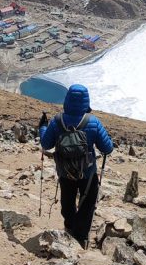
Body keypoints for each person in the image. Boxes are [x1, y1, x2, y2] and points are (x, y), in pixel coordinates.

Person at [39, 84, 113, 248]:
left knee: (68, 202)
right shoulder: (92, 122)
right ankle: (81, 238)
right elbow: (107, 148)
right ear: (86, 101)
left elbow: (46, 144)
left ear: (67, 100)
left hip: (65, 172)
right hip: (87, 173)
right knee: (87, 203)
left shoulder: (57, 121)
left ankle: (69, 229)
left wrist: (42, 127)